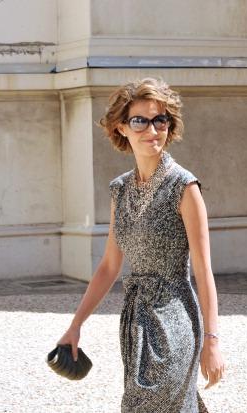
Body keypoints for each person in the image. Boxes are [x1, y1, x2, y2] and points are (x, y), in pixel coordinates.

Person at [57, 78, 224, 412]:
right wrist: (75, 326)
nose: (152, 129)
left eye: (160, 119)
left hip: (176, 317)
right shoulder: (120, 190)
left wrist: (212, 341)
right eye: (140, 120)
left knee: (162, 402)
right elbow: (108, 266)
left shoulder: (184, 186)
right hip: (135, 322)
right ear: (122, 127)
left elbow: (204, 270)